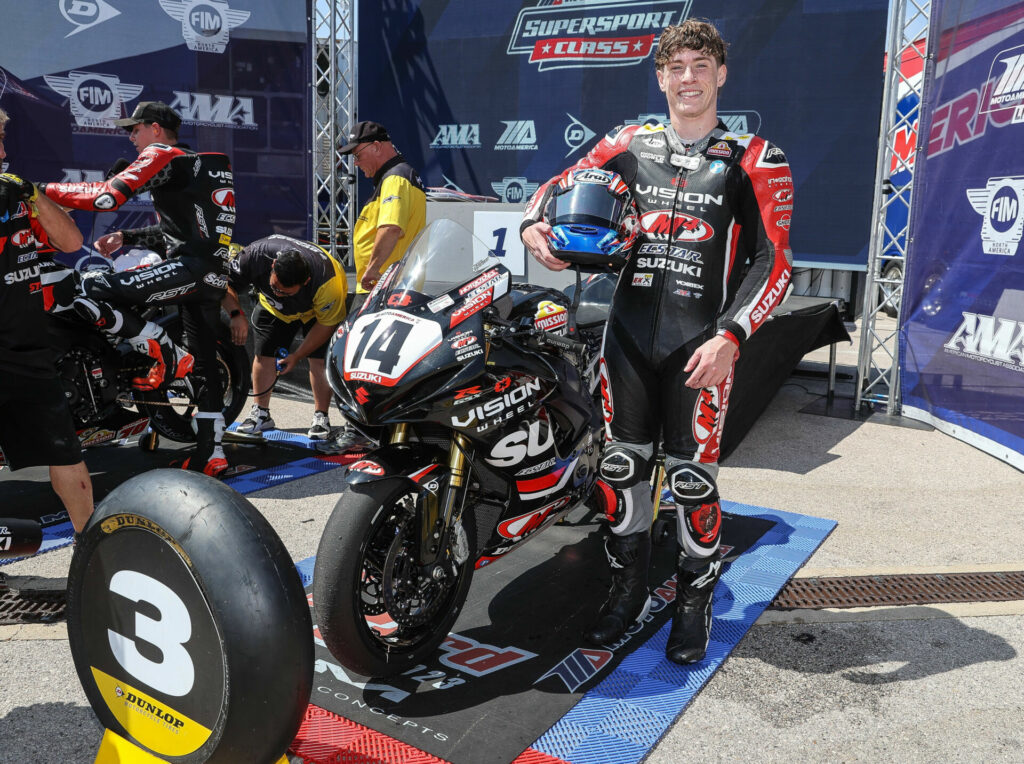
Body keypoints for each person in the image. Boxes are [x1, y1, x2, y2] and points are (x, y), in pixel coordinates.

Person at [521, 20, 794, 664]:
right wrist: (536, 226)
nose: (690, 77)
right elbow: (553, 189)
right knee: (622, 471)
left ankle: (694, 602)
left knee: (695, 481)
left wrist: (732, 334)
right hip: (628, 342)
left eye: (702, 65)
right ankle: (626, 592)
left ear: (721, 74)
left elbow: (775, 262)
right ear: (661, 77)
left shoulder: (755, 156)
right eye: (677, 67)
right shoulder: (627, 141)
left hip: (702, 347)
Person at [37, 101, 236, 476]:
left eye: (135, 129)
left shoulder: (163, 153)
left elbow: (105, 197)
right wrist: (126, 235)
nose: (131, 137)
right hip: (209, 273)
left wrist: (35, 190)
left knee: (89, 286)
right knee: (207, 367)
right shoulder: (199, 164)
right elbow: (184, 231)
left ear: (156, 129)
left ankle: (166, 354)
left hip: (190, 268)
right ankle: (213, 454)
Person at [0, 107, 94, 533]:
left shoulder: (18, 194)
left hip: (26, 348)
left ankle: (93, 553)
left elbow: (72, 241)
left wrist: (31, 194)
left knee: (67, 455)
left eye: (3, 141)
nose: (2, 151)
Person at [223, 235, 347, 440]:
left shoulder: (328, 283)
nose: (279, 293)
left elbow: (326, 325)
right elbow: (223, 283)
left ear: (305, 282)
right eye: (275, 287)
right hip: (273, 310)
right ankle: (261, 413)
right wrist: (236, 314)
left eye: (285, 292)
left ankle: (321, 416)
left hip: (315, 313)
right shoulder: (254, 255)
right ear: (273, 266)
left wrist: (296, 355)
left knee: (318, 359)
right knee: (263, 353)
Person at [338, 120, 426, 310]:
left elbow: (391, 228)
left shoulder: (395, 177)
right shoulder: (396, 176)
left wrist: (372, 269)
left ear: (377, 147)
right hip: (388, 284)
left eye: (357, 155)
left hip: (384, 286)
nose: (356, 163)